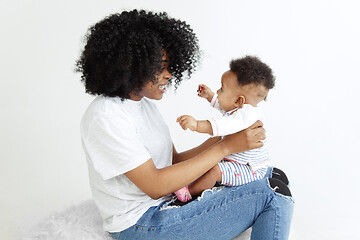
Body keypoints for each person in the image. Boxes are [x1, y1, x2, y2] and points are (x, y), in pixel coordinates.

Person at [76, 9, 294, 240]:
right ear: (131, 65)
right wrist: (226, 147)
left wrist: (225, 137)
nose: (169, 75)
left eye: (170, 66)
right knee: (272, 193)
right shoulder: (106, 115)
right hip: (142, 226)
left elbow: (174, 163)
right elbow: (156, 185)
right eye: (160, 66)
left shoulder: (144, 106)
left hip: (168, 204)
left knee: (272, 175)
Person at [174, 56, 282, 202]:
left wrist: (196, 125)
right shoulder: (239, 109)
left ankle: (190, 193)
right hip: (237, 160)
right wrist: (210, 96)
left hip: (249, 169)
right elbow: (224, 106)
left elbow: (221, 125)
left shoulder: (245, 116)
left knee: (214, 171)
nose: (218, 91)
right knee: (208, 162)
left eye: (222, 89)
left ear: (238, 100)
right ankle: (190, 182)